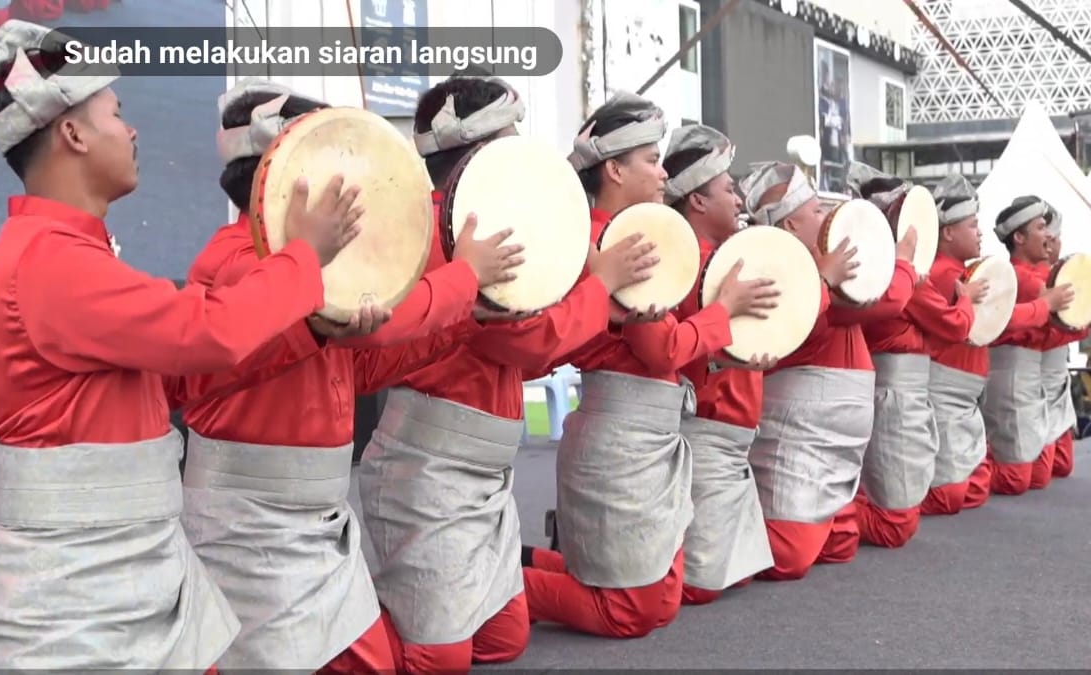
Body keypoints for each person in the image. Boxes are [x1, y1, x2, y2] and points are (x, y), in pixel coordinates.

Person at [0, 20, 358, 671]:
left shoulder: (67, 255)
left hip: (130, 565)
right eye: (116, 114)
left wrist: (312, 325)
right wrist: (303, 259)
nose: (133, 129)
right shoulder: (50, 263)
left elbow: (187, 372)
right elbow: (210, 332)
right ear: (73, 132)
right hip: (82, 589)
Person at [176, 78, 528, 674]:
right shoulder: (239, 263)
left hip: (320, 514)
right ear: (285, 178)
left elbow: (357, 366)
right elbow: (363, 333)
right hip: (245, 520)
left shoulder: (312, 267)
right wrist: (464, 280)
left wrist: (462, 321)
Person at [356, 76, 661, 674]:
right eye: (509, 137)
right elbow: (527, 344)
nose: (521, 148)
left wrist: (599, 301)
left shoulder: (485, 223)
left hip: (484, 468)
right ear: (477, 153)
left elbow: (534, 354)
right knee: (439, 658)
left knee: (502, 641)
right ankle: (332, 629)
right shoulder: (441, 231)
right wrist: (598, 287)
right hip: (426, 466)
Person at [520, 92, 779, 638]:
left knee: (659, 597)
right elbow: (661, 350)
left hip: (643, 429)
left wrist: (726, 339)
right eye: (651, 160)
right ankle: (505, 586)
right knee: (634, 610)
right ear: (613, 168)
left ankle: (522, 567)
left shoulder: (625, 234)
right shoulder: (614, 241)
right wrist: (723, 314)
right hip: (620, 431)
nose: (664, 174)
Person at [740, 160, 916, 579]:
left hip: (839, 424)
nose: (827, 217)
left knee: (840, 545)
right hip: (804, 421)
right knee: (788, 558)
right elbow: (888, 300)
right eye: (816, 211)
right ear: (788, 228)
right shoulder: (780, 269)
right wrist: (906, 262)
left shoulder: (826, 261)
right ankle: (708, 535)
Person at [658, 124, 777, 605]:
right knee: (699, 587)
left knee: (734, 577)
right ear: (698, 201)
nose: (741, 199)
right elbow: (680, 348)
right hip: (704, 426)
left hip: (735, 434)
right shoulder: (682, 263)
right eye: (729, 188)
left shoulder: (733, 260)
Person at [846, 163, 982, 548]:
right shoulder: (906, 274)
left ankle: (834, 511)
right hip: (895, 393)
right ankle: (829, 517)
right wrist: (968, 302)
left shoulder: (890, 270)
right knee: (897, 523)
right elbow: (955, 326)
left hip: (896, 389)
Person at [982, 195, 1075, 495]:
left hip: (1034, 370)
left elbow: (1058, 325)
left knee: (1046, 470)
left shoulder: (1039, 276)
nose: (1049, 235)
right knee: (1017, 479)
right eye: (1040, 227)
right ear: (1019, 238)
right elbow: (1055, 319)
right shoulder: (1020, 277)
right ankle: (973, 464)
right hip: (1012, 371)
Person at [1037, 211, 1091, 479]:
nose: (1055, 243)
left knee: (1062, 464)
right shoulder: (1032, 279)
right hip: (1035, 374)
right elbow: (1039, 332)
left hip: (1057, 370)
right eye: (1051, 236)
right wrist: (1081, 327)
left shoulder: (1059, 278)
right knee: (1034, 471)